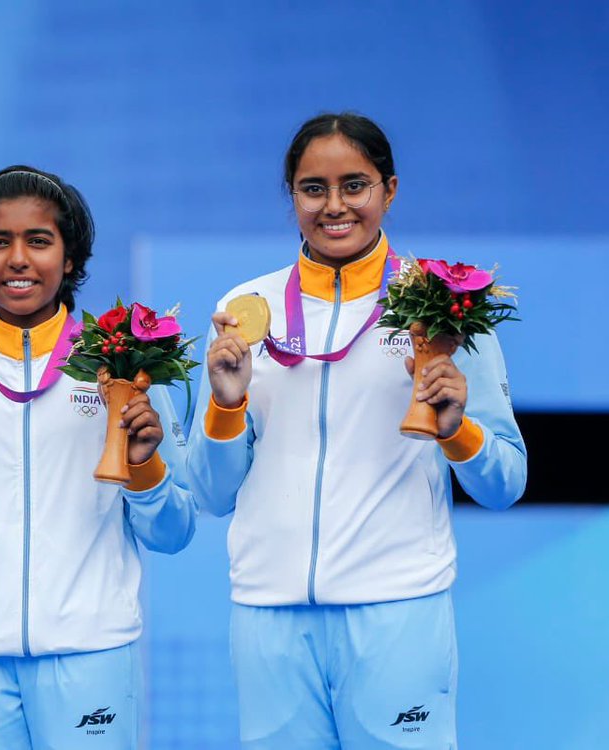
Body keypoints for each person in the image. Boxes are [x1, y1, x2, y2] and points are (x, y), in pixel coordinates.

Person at [187, 112, 527, 749]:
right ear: (291, 195)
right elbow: (208, 495)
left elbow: (506, 482)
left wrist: (457, 431)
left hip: (398, 610)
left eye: (355, 185)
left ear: (389, 190)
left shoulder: (443, 304)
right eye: (313, 188)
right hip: (268, 616)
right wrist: (227, 406)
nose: (334, 206)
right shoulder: (242, 311)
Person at [0, 165, 197, 750]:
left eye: (40, 241)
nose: (18, 259)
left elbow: (174, 531)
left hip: (91, 650)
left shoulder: (123, 366)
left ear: (71, 258)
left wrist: (145, 467)